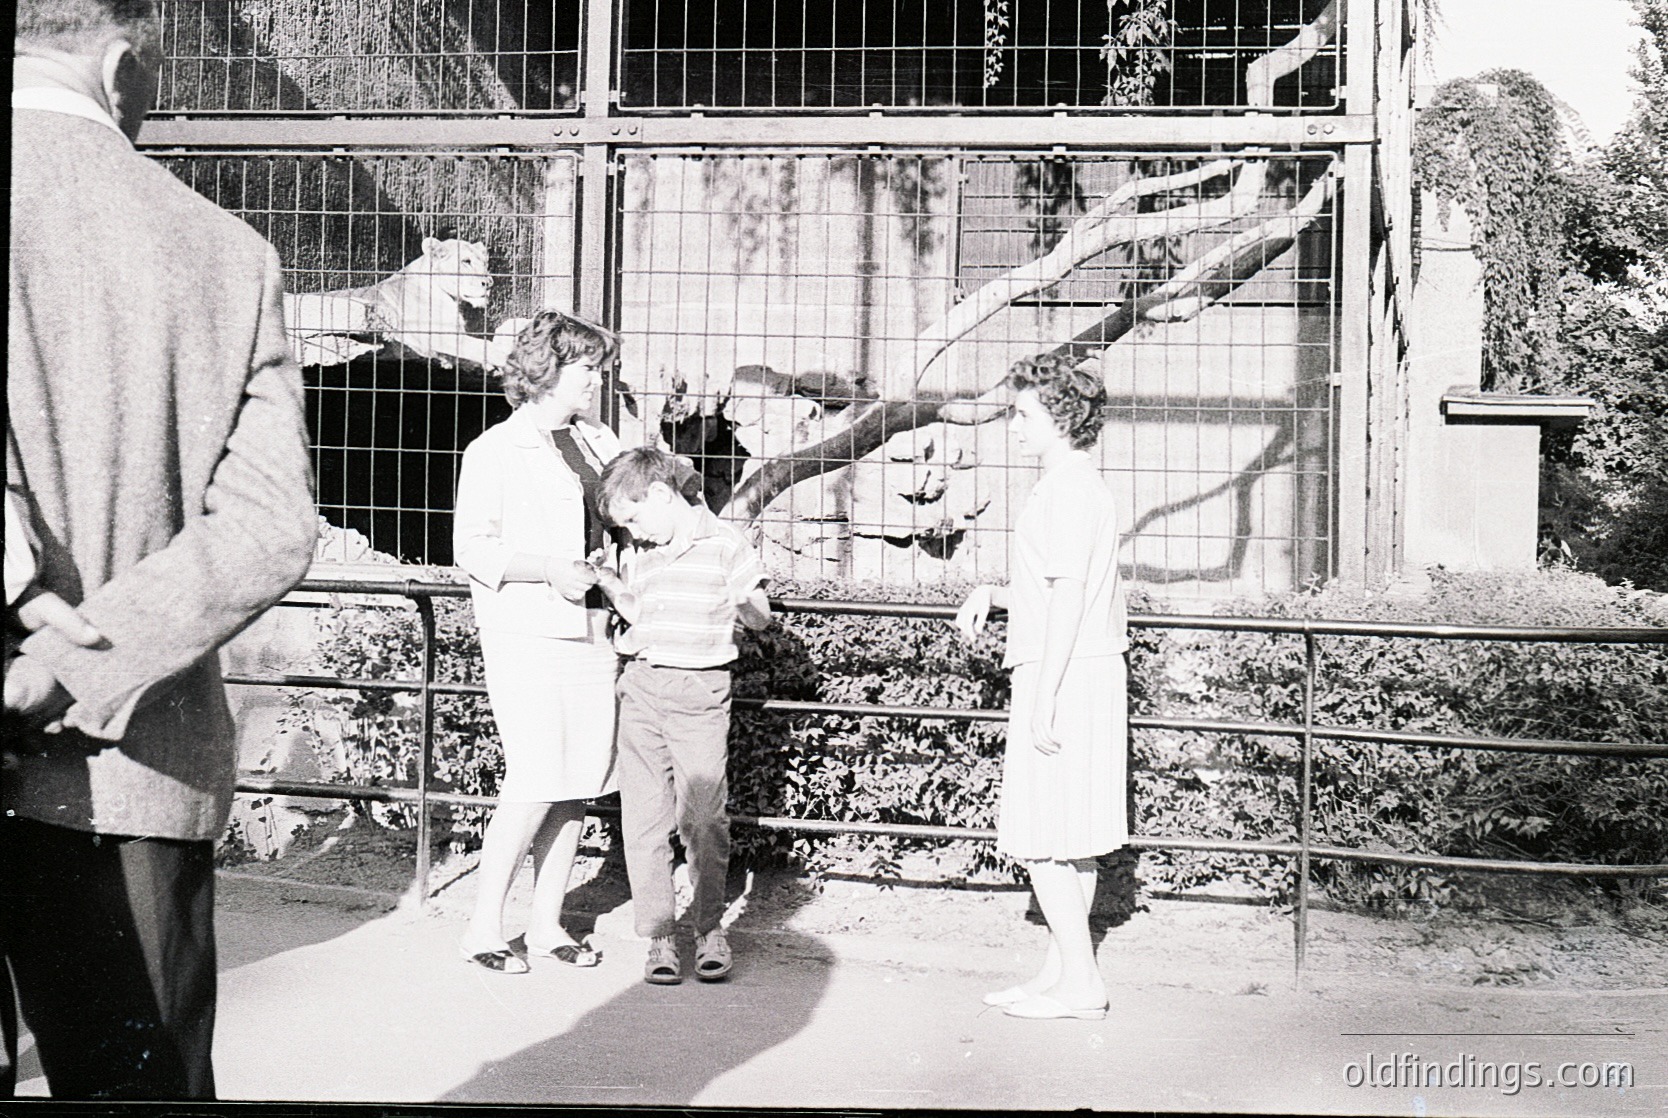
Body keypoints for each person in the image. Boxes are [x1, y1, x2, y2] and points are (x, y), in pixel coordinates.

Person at [3, 0, 318, 1099]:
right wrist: (77, 663)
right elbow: (274, 523)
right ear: (121, 62)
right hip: (134, 773)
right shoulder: (228, 253)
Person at [954, 354, 1128, 1021]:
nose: (1014, 425)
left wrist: (1046, 694)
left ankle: (1083, 985)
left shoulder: (1065, 492)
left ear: (1059, 415)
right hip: (1082, 666)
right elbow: (1056, 587)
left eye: (1023, 413)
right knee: (1071, 834)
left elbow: (1068, 596)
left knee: (1043, 838)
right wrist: (994, 593)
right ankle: (1061, 973)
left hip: (1064, 672)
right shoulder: (1078, 487)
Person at [452, 309, 624, 973]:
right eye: (587, 368)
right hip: (526, 630)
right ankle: (483, 927)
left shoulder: (595, 439)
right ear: (548, 370)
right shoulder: (493, 450)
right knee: (533, 776)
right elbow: (473, 549)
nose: (595, 381)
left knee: (577, 779)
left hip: (591, 625)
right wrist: (549, 568)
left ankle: (548, 924)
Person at [591, 447, 771, 985]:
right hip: (642, 684)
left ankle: (709, 927)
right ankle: (659, 936)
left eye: (634, 517)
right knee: (643, 816)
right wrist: (612, 585)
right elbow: (640, 611)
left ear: (663, 495)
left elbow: (760, 617)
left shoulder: (725, 544)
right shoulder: (639, 552)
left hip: (698, 690)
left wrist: (747, 605)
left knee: (702, 817)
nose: (634, 533)